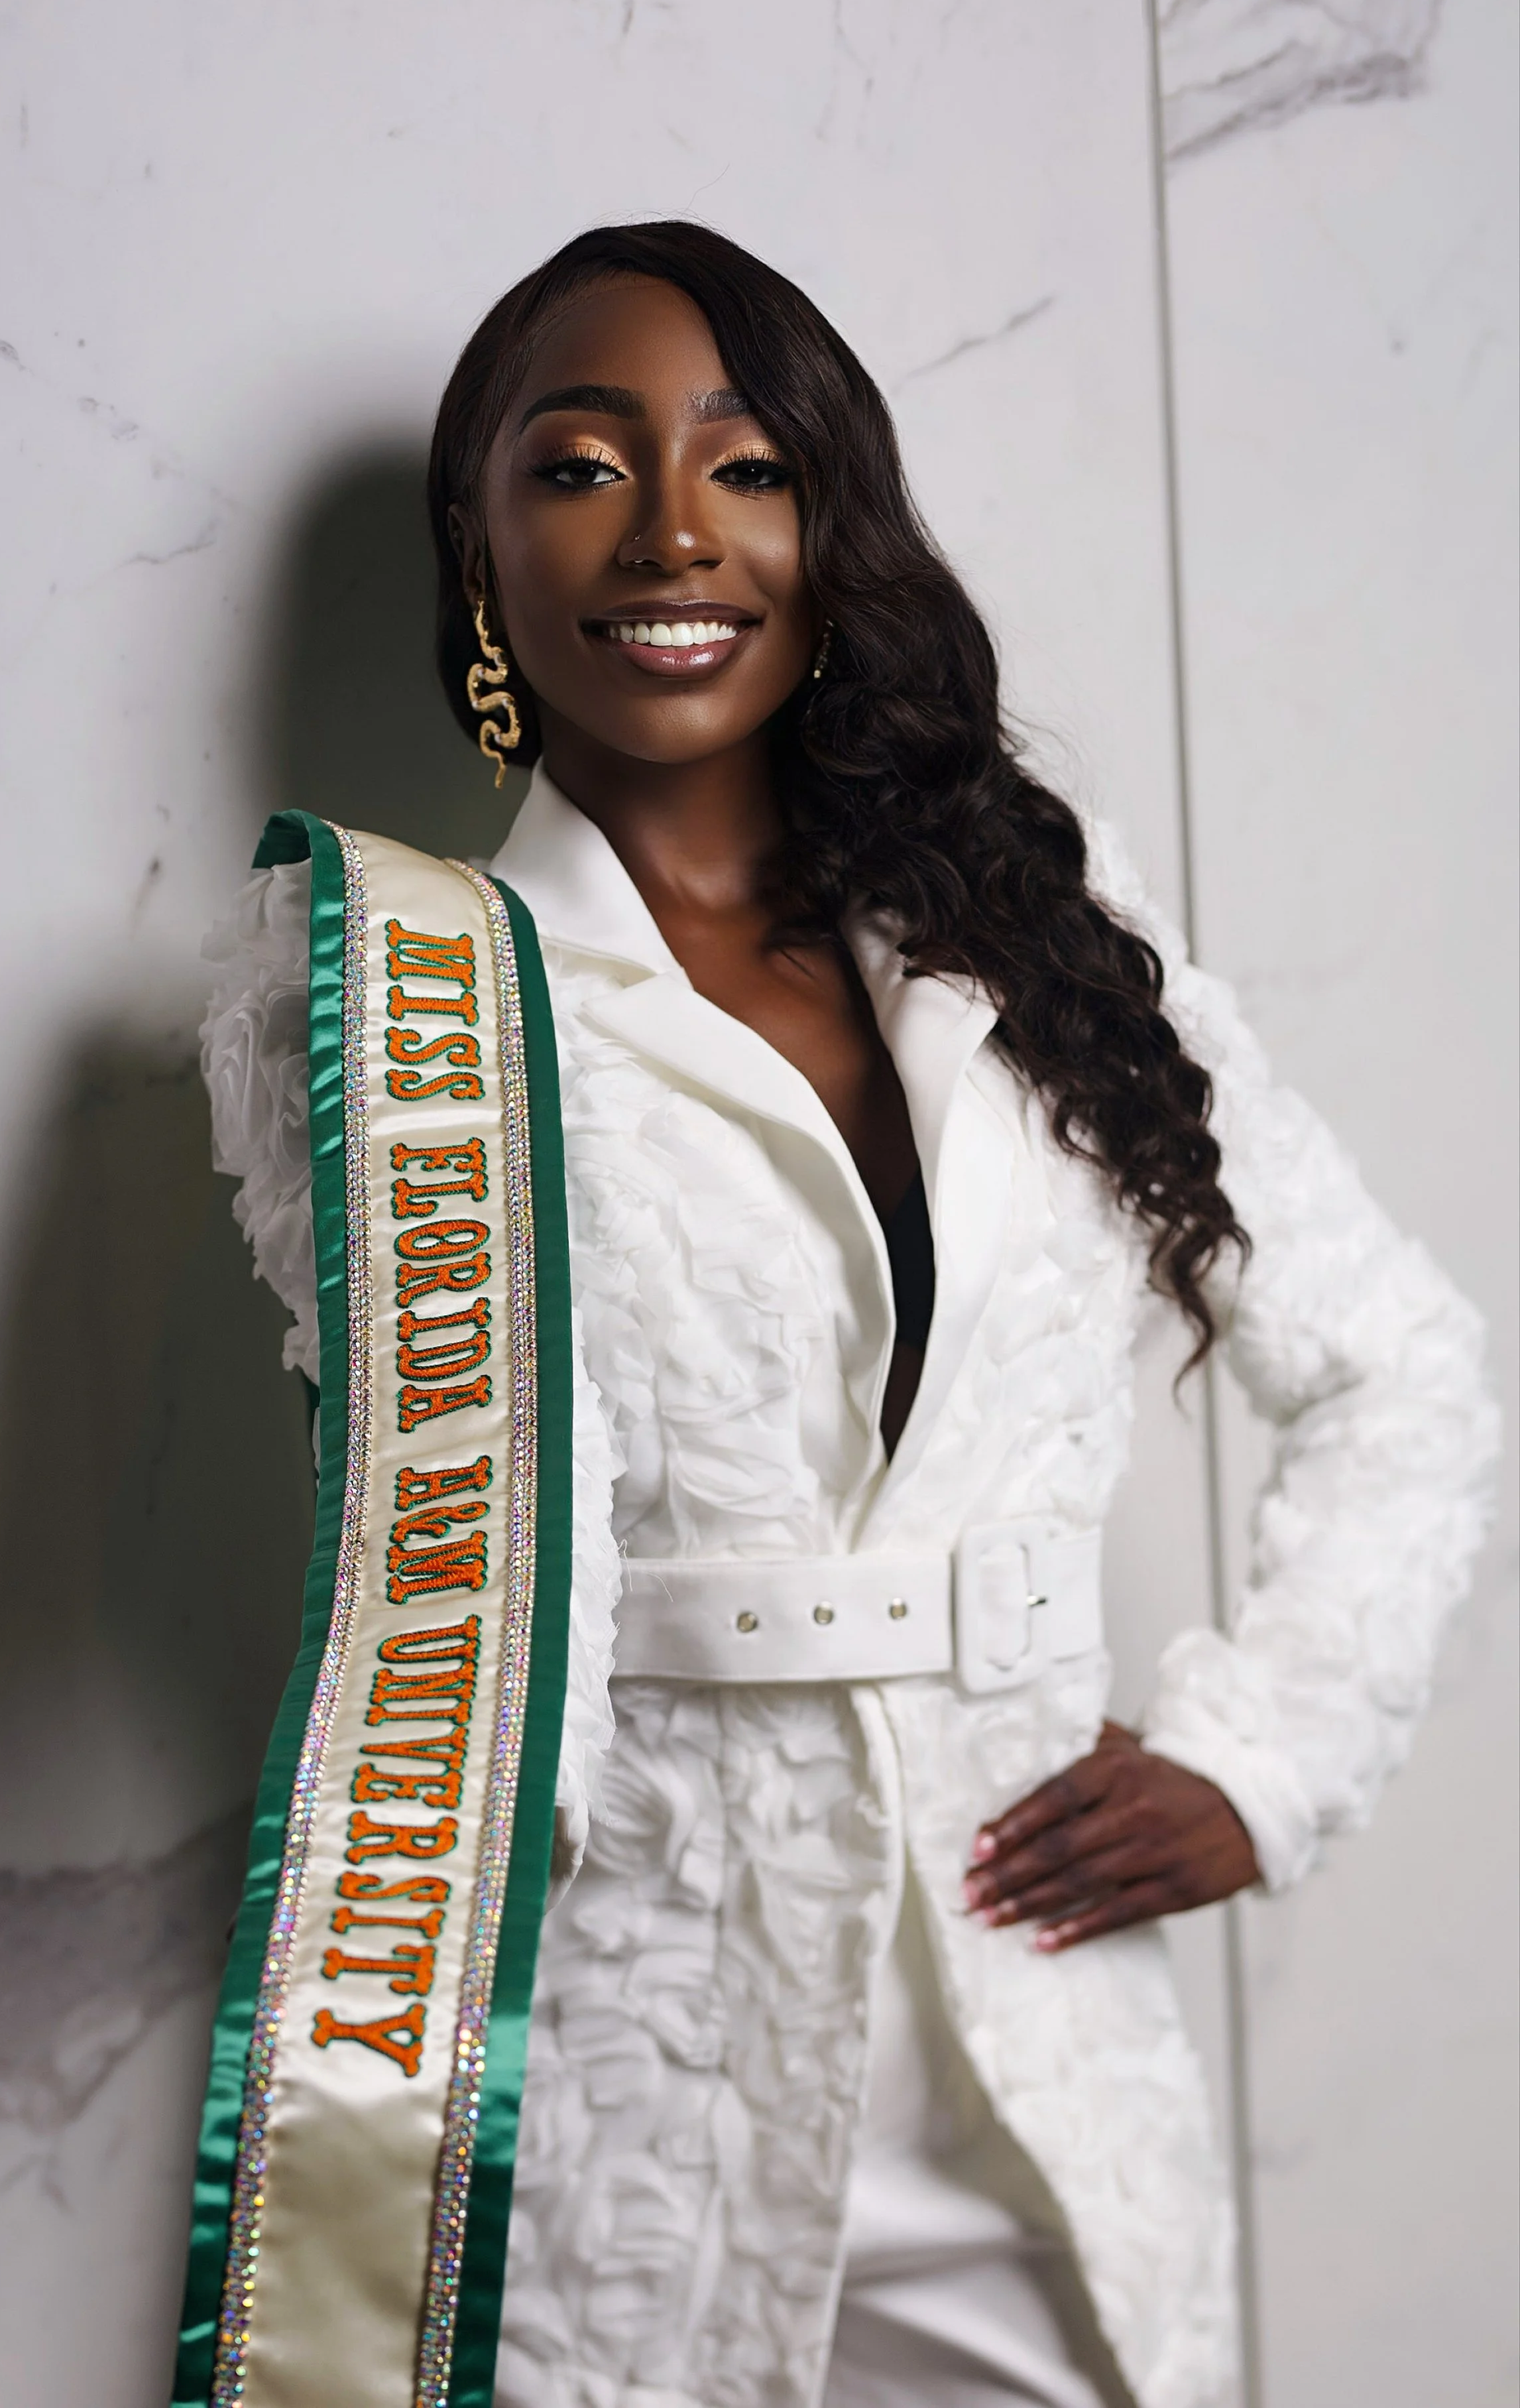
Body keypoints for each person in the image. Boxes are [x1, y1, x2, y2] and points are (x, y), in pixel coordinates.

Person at [198, 223, 1496, 2408]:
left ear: (830, 528)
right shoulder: (374, 999)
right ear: (480, 545)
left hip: (1035, 2055)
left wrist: (1256, 1757)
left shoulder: (1044, 942)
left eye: (750, 466)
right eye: (582, 465)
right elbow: (444, 1590)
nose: (675, 531)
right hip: (627, 2083)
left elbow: (1404, 1370)